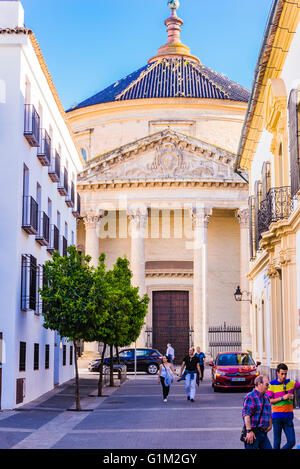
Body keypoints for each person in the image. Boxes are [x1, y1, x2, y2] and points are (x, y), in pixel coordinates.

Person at [266, 363, 300, 449]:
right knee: (277, 442)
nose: (284, 376)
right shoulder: (271, 385)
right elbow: (269, 401)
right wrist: (282, 397)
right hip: (277, 417)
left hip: (288, 417)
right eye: (282, 374)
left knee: (292, 442)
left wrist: (292, 396)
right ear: (277, 373)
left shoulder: (291, 383)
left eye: (285, 373)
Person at [242, 375, 272, 449]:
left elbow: (269, 412)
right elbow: (246, 415)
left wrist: (270, 424)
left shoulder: (266, 397)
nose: (268, 387)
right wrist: (249, 431)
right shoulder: (250, 396)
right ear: (259, 384)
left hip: (263, 433)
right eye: (267, 385)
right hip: (253, 433)